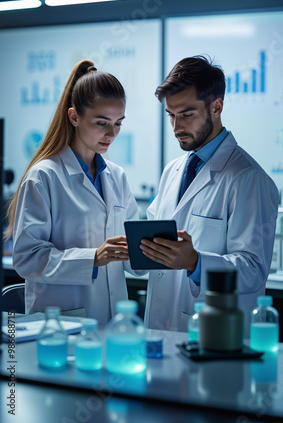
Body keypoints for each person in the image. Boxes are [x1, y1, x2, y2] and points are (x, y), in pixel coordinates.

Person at [140, 55, 279, 333]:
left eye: (187, 114)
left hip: (215, 336)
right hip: (160, 328)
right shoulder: (173, 170)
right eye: (171, 115)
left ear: (216, 107)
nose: (177, 127)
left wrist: (195, 261)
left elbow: (253, 270)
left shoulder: (249, 179)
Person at [7, 59, 144, 323]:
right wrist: (93, 258)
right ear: (74, 117)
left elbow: (129, 258)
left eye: (118, 123)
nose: (111, 133)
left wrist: (149, 251)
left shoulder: (117, 177)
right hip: (63, 322)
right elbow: (26, 258)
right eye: (101, 123)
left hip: (115, 320)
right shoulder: (44, 176)